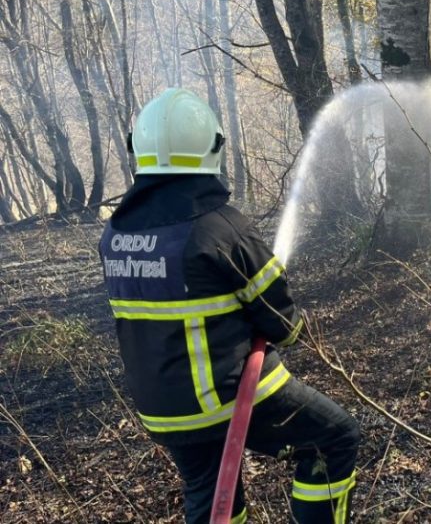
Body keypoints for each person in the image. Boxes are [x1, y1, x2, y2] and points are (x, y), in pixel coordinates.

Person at [98, 88, 359, 523]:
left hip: (162, 408)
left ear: (137, 150)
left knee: (212, 491)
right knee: (333, 437)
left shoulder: (116, 236)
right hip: (227, 397)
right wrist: (294, 321)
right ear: (212, 148)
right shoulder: (219, 228)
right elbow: (282, 325)